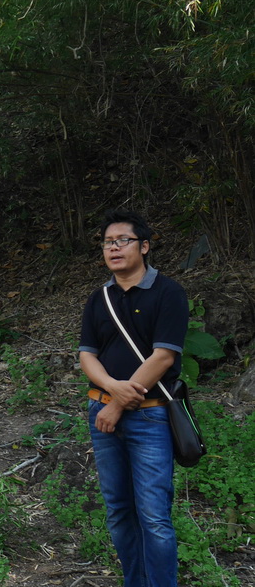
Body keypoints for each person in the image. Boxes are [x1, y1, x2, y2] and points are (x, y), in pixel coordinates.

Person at [79, 208, 188, 587]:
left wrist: (118, 402)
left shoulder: (168, 292)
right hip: (103, 411)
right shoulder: (100, 298)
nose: (114, 248)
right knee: (119, 511)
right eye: (108, 242)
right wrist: (110, 388)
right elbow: (87, 355)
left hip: (149, 416)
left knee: (154, 516)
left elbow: (164, 356)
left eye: (122, 240)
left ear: (143, 246)